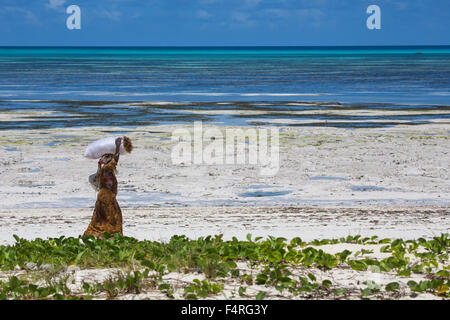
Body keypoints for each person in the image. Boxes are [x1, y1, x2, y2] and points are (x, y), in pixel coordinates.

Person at [84, 137, 125, 238]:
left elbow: (114, 161)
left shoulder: (103, 169)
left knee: (99, 219)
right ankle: (109, 237)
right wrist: (117, 147)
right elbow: (115, 160)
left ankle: (93, 236)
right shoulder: (106, 168)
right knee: (112, 219)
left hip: (103, 196)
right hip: (108, 197)